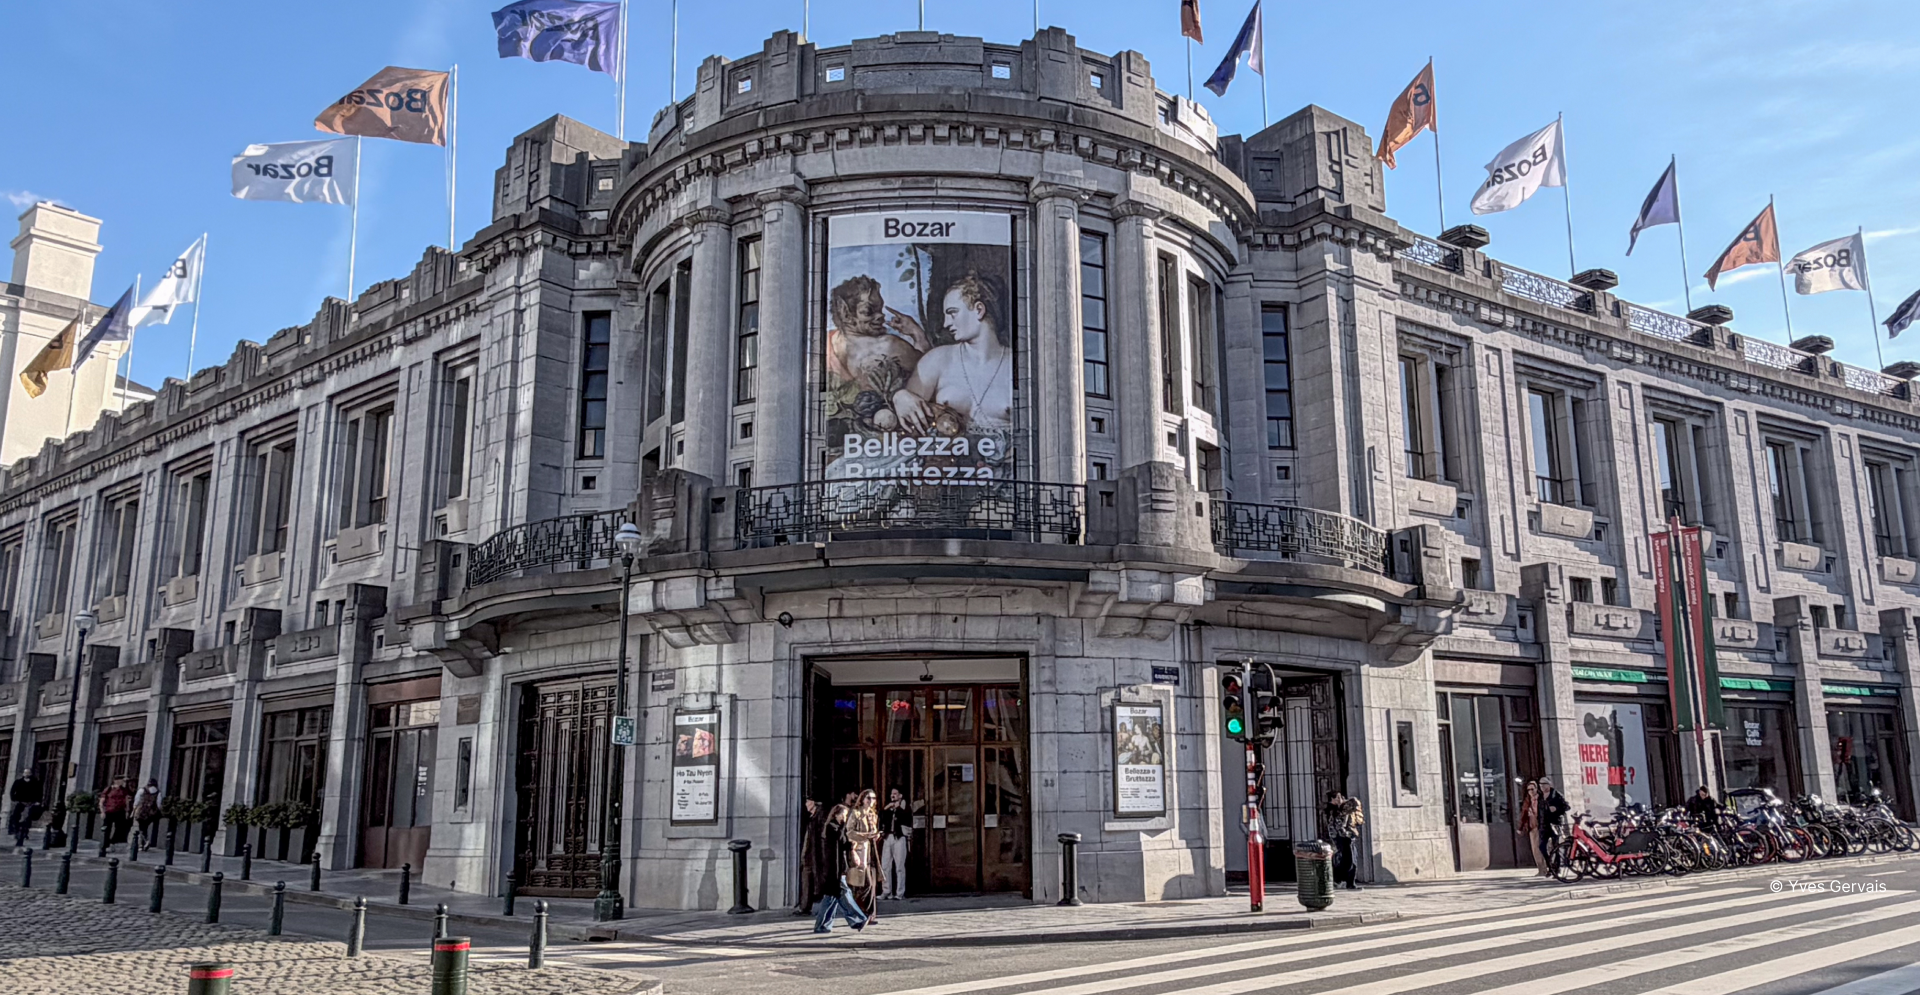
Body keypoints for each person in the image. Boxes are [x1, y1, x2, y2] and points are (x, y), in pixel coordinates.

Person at [891, 273, 1014, 435]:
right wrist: (900, 397)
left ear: (979, 310)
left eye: (952, 313)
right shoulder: (937, 360)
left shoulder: (1017, 364)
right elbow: (910, 424)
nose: (946, 323)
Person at [843, 789, 882, 920]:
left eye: (873, 798)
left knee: (871, 882)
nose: (871, 801)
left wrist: (876, 835)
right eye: (868, 798)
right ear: (862, 799)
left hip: (871, 849)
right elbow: (849, 832)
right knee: (861, 882)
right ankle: (860, 912)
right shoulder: (855, 813)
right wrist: (865, 836)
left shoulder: (872, 814)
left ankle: (870, 914)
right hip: (859, 849)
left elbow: (874, 830)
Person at [1323, 790, 1364, 891]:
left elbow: (1355, 803)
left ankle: (1347, 882)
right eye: (1337, 797)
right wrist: (1348, 834)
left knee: (1349, 860)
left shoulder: (1340, 808)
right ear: (1332, 799)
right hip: (1343, 838)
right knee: (1349, 860)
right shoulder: (1334, 810)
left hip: (1344, 837)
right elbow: (1338, 826)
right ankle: (1341, 881)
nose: (1340, 799)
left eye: (1340, 797)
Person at [879, 788, 912, 900]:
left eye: (895, 793)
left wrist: (898, 807)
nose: (892, 795)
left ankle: (900, 892)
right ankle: (886, 891)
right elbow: (881, 817)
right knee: (885, 865)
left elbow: (907, 817)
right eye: (891, 793)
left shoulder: (904, 807)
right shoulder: (888, 807)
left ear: (900, 795)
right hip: (888, 837)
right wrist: (887, 808)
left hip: (899, 837)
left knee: (899, 866)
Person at [1537, 777, 1571, 873]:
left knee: (1555, 846)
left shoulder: (1556, 794)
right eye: (1540, 784)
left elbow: (1567, 807)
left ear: (1549, 784)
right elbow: (1540, 812)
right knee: (1542, 846)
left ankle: (1557, 867)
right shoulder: (1540, 796)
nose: (1542, 786)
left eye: (1544, 784)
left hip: (1555, 823)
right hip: (1544, 825)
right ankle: (1550, 866)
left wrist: (1556, 809)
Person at [1518, 780, 1548, 877]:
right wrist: (1521, 827)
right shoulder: (1528, 801)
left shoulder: (1541, 799)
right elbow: (1524, 815)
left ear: (1536, 789)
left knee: (1543, 848)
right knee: (1535, 850)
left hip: (1542, 826)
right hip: (1532, 827)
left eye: (1532, 789)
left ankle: (1547, 868)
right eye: (1529, 789)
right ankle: (1540, 869)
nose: (1531, 791)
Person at [8, 769, 42, 847]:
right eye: (25, 773)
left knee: (27, 818)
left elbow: (39, 792)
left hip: (30, 802)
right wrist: (14, 799)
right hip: (20, 802)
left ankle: (25, 832)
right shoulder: (18, 782)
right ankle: (16, 831)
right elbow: (12, 791)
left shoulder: (35, 782)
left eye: (28, 773)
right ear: (23, 774)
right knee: (15, 816)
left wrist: (37, 801)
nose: (27, 774)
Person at [100, 778, 133, 848]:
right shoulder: (109, 789)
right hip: (109, 811)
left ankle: (113, 841)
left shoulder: (124, 790)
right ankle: (105, 843)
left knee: (119, 827)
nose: (122, 782)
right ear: (115, 781)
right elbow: (102, 801)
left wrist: (127, 811)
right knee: (107, 827)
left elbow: (126, 801)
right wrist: (102, 811)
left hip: (120, 811)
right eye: (120, 780)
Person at [134, 779, 162, 848]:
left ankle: (145, 842)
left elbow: (137, 800)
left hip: (141, 811)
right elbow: (159, 804)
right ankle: (142, 843)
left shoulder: (142, 790)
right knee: (145, 827)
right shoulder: (158, 792)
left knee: (141, 828)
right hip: (151, 813)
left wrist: (134, 808)